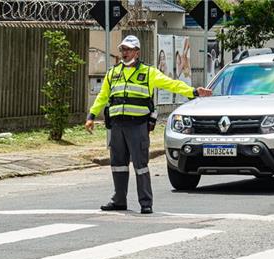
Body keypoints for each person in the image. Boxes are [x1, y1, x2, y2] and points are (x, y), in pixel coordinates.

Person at [84, 35, 212, 214]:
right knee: (118, 164)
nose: (124, 53)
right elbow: (103, 96)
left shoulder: (148, 72)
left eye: (128, 49)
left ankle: (146, 202)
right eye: (123, 49)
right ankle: (119, 200)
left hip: (137, 126)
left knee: (140, 165)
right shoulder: (113, 73)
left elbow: (171, 84)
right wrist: (91, 116)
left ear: (137, 52)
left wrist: (193, 91)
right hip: (117, 126)